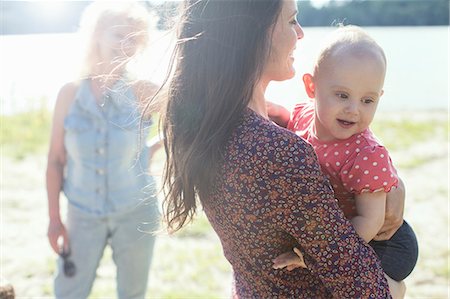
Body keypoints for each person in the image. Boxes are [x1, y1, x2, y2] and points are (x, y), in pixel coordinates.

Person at [158, 1, 405, 297]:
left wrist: (390, 182)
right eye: (292, 21)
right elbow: (366, 289)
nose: (300, 33)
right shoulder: (278, 151)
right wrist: (395, 289)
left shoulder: (219, 123)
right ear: (252, 31)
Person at [269, 25, 418, 297]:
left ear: (379, 98)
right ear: (311, 87)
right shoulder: (302, 115)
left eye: (367, 100)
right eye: (342, 95)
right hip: (348, 232)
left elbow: (371, 221)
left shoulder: (365, 154)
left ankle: (394, 289)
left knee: (354, 290)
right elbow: (280, 119)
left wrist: (316, 258)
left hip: (385, 244)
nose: (354, 109)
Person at [46, 2, 160, 298]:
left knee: (132, 294)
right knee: (67, 292)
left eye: (133, 39)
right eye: (118, 35)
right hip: (82, 213)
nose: (125, 45)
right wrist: (55, 220)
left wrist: (153, 148)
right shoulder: (68, 94)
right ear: (97, 34)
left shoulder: (143, 91)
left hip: (135, 212)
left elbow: (189, 126)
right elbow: (56, 160)